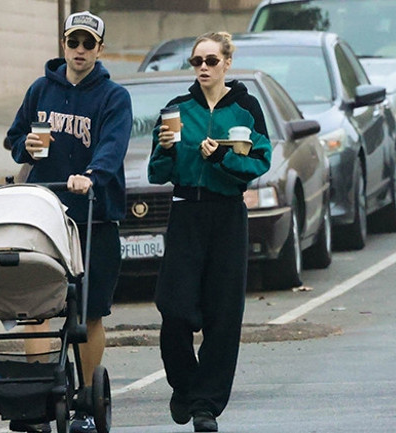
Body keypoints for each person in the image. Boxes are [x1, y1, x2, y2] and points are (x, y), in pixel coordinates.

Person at [5, 10, 132, 433]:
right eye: (73, 43)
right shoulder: (41, 89)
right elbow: (15, 139)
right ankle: (38, 401)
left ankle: (86, 405)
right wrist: (28, 144)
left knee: (89, 313)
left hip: (95, 216)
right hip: (46, 216)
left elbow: (113, 148)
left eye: (88, 44)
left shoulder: (114, 97)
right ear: (63, 45)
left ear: (100, 48)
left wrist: (91, 176)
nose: (79, 51)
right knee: (37, 307)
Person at [148, 31, 272, 433]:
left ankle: (206, 406)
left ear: (227, 64)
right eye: (197, 61)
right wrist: (166, 148)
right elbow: (157, 172)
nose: (203, 67)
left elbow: (261, 161)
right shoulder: (177, 109)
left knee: (223, 315)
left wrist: (221, 157)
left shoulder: (246, 108)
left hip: (227, 215)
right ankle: (184, 387)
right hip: (186, 213)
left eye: (211, 61)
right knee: (175, 309)